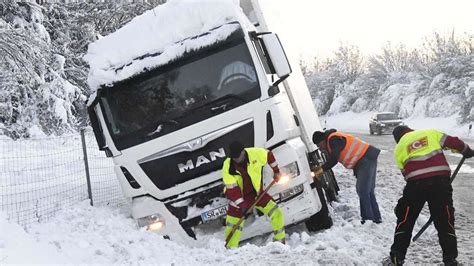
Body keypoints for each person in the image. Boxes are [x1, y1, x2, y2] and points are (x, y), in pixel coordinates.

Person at [387, 126, 474, 265]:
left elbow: (406, 174)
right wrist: (466, 150)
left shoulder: (399, 149)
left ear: (398, 139)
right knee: (445, 220)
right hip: (440, 182)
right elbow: (453, 142)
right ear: (410, 130)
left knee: (405, 219)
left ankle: (397, 257)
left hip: (415, 184)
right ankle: (450, 259)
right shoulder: (429, 133)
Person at [222, 141, 285, 248]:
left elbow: (268, 155)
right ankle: (230, 251)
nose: (236, 159)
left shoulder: (254, 154)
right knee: (232, 226)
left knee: (276, 212)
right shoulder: (228, 166)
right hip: (239, 199)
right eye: (234, 157)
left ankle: (280, 242)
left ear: (243, 151)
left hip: (257, 195)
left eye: (238, 156)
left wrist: (276, 171)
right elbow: (232, 190)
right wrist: (242, 206)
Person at [312, 129, 382, 224]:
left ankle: (368, 219)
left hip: (365, 159)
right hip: (366, 158)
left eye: (319, 146)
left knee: (362, 190)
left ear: (322, 140)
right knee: (368, 190)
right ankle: (376, 218)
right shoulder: (332, 140)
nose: (320, 149)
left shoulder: (333, 139)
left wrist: (321, 170)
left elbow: (334, 159)